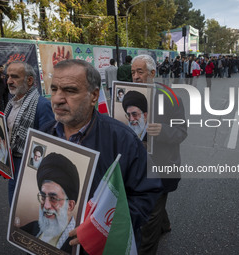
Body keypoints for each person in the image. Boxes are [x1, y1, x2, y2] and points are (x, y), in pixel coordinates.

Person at [39, 59, 163, 248]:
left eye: (70, 90)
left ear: (94, 96)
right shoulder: (44, 134)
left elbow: (146, 192)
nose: (57, 99)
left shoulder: (122, 139)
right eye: (54, 89)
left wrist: (104, 229)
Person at [131, 54, 187, 255]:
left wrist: (162, 130)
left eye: (140, 72)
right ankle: (165, 224)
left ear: (152, 73)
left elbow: (182, 132)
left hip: (161, 165)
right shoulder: (129, 95)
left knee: (149, 218)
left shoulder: (170, 97)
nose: (135, 76)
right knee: (156, 207)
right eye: (133, 72)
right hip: (138, 165)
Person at [5, 61, 55, 205]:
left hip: (31, 169)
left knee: (28, 209)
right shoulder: (11, 104)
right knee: (14, 206)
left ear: (30, 80)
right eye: (8, 76)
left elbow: (48, 143)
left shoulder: (42, 105)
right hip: (12, 165)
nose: (9, 81)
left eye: (14, 77)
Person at [21, 153, 79, 253]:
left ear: (70, 205)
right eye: (43, 197)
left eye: (53, 198)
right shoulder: (30, 229)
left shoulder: (79, 245)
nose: (46, 206)